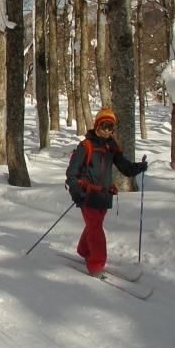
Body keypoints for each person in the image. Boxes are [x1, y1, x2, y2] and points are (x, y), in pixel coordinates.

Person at [65, 107, 148, 276]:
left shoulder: (111, 146)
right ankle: (96, 264)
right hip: (87, 195)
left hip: (104, 196)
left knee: (94, 226)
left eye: (111, 127)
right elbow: (71, 172)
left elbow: (124, 167)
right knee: (96, 230)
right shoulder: (85, 146)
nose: (107, 130)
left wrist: (138, 167)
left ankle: (83, 249)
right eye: (104, 125)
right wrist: (76, 193)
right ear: (97, 125)